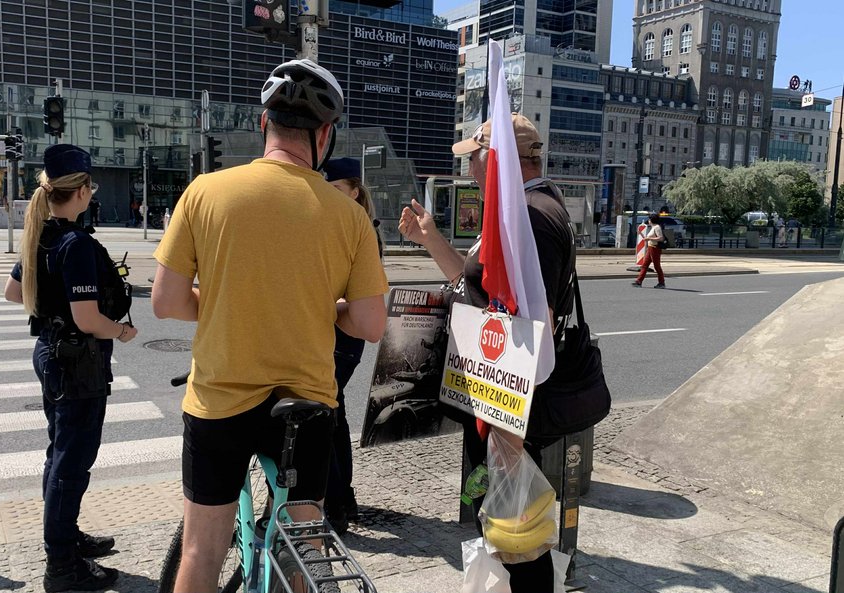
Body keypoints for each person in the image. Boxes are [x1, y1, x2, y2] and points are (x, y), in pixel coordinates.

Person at [151, 59, 388, 593]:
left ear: (264, 124)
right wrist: (325, 308)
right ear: (324, 136)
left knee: (201, 551)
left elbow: (164, 302)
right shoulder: (348, 215)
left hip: (220, 403)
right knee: (303, 550)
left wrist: (223, 304)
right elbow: (371, 324)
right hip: (305, 406)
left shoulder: (205, 192)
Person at [398, 113, 575, 588]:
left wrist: (507, 430)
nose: (471, 169)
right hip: (495, 403)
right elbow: (473, 283)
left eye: (476, 157)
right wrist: (430, 237)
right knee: (496, 517)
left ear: (501, 160)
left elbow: (531, 323)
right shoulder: (519, 209)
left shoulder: (531, 218)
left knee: (519, 528)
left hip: (508, 409)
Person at [3, 144, 137, 593]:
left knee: (59, 452)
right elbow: (87, 320)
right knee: (72, 462)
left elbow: (12, 293)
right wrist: (119, 331)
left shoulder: (39, 234)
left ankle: (66, 538)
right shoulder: (75, 243)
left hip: (50, 351)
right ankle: (62, 564)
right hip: (77, 361)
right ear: (80, 191)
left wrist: (53, 304)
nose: (92, 193)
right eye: (91, 187)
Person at [322, 157, 385, 534]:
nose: (328, 198)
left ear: (354, 191)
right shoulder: (340, 225)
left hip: (343, 337)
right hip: (338, 335)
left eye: (335, 191)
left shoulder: (358, 229)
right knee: (335, 416)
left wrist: (325, 304)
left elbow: (367, 301)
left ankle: (334, 506)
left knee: (325, 417)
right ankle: (343, 499)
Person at [632, 213, 666, 288]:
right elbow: (649, 238)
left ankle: (662, 282)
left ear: (651, 220)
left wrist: (649, 239)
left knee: (657, 266)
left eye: (649, 219)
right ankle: (639, 281)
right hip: (650, 248)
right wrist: (642, 234)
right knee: (644, 265)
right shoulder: (653, 227)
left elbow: (661, 238)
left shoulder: (657, 227)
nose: (648, 221)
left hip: (655, 248)